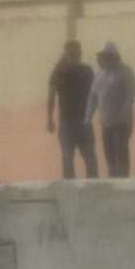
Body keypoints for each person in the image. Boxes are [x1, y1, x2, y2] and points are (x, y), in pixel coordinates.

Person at [47, 40, 98, 179]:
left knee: (71, 157)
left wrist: (50, 120)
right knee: (85, 157)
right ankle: (92, 185)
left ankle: (87, 184)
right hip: (75, 121)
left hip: (74, 121)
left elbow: (51, 96)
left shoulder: (60, 72)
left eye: (74, 53)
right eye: (72, 53)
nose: (74, 55)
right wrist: (49, 119)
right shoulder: (85, 71)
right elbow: (96, 95)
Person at [86, 41, 135, 177]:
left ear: (114, 57)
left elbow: (130, 95)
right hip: (106, 122)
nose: (103, 60)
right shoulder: (100, 75)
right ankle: (113, 178)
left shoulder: (125, 71)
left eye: (106, 56)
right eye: (102, 57)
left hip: (122, 122)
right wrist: (88, 116)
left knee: (120, 151)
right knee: (109, 153)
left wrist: (124, 114)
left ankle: (123, 179)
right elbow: (93, 97)